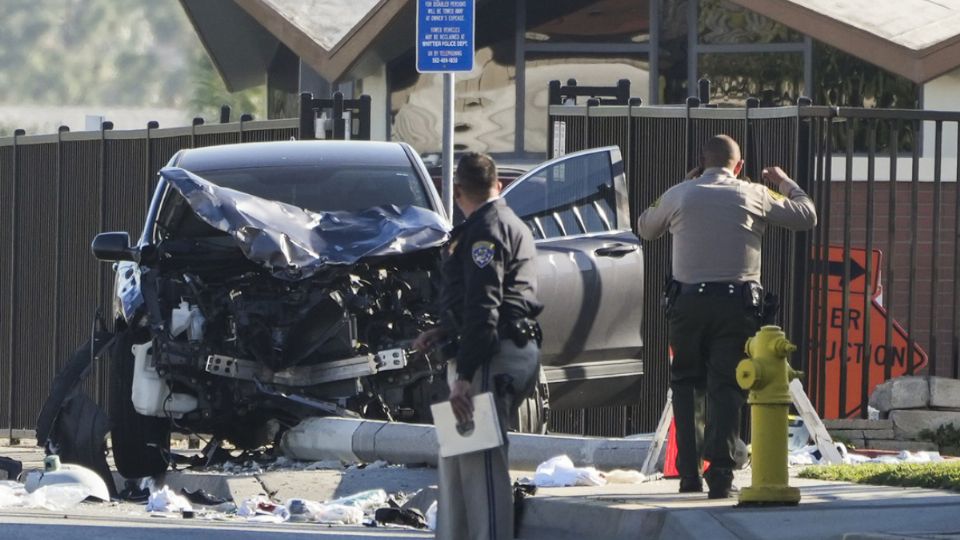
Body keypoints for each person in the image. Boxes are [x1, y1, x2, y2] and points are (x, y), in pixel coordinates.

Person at [637, 134, 817, 499]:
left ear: (701, 164)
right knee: (727, 386)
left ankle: (687, 473)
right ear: (740, 165)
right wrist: (783, 182)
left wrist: (688, 185)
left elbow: (645, 227)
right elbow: (806, 215)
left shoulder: (679, 193)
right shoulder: (753, 193)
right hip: (735, 306)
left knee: (685, 384)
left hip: (687, 306)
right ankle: (719, 474)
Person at [414, 152, 543, 539]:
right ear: (497, 184)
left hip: (490, 356)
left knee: (481, 466)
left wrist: (465, 377)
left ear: (456, 191)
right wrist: (443, 331)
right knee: (457, 463)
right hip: (491, 347)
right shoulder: (502, 223)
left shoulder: (486, 230)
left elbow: (484, 305)